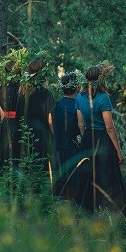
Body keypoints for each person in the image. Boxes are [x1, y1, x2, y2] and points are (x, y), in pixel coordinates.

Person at [76, 64, 124, 212]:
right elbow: (109, 127)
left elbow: (80, 123)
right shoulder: (104, 99)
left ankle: (88, 211)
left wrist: (85, 140)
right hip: (102, 139)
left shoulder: (79, 97)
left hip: (87, 139)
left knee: (89, 176)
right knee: (106, 176)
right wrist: (118, 151)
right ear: (101, 80)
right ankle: (109, 211)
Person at [17, 58, 54, 179]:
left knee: (25, 168)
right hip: (41, 137)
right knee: (41, 167)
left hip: (24, 136)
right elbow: (50, 120)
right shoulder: (46, 94)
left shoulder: (21, 93)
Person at [51, 72, 85, 201]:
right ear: (76, 87)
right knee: (73, 176)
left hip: (58, 146)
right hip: (73, 146)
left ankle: (60, 203)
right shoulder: (77, 105)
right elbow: (81, 126)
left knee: (60, 176)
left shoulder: (57, 105)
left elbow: (51, 123)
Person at [0, 50, 25, 176]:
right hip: (15, 123)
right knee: (13, 152)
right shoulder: (22, 88)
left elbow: (1, 111)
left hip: (7, 123)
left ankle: (5, 175)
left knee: (6, 152)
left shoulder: (2, 87)